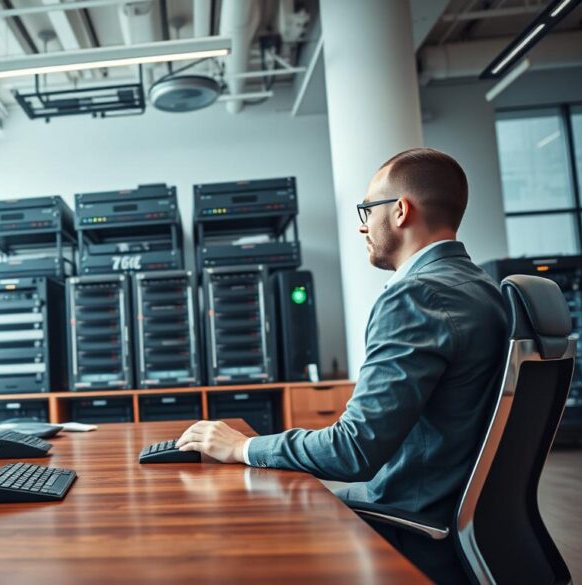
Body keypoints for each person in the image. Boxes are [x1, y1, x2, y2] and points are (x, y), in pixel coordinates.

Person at [176, 147, 508, 583]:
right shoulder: (482, 288)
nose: (362, 224)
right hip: (458, 515)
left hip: (412, 527)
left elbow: (354, 451)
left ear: (401, 211)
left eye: (368, 209)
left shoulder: (416, 296)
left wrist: (243, 447)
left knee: (234, 526)